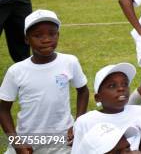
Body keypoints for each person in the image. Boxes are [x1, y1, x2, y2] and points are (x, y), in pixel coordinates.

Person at [0, 10, 89, 154]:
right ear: (27, 39)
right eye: (38, 35)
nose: (46, 39)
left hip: (62, 139)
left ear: (58, 35)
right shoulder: (16, 71)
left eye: (52, 34)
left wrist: (78, 123)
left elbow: (83, 90)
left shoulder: (69, 62)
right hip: (27, 139)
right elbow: (3, 110)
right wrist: (16, 142)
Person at [72, 63, 141, 153]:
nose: (121, 88)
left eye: (125, 84)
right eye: (112, 86)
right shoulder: (85, 121)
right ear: (98, 97)